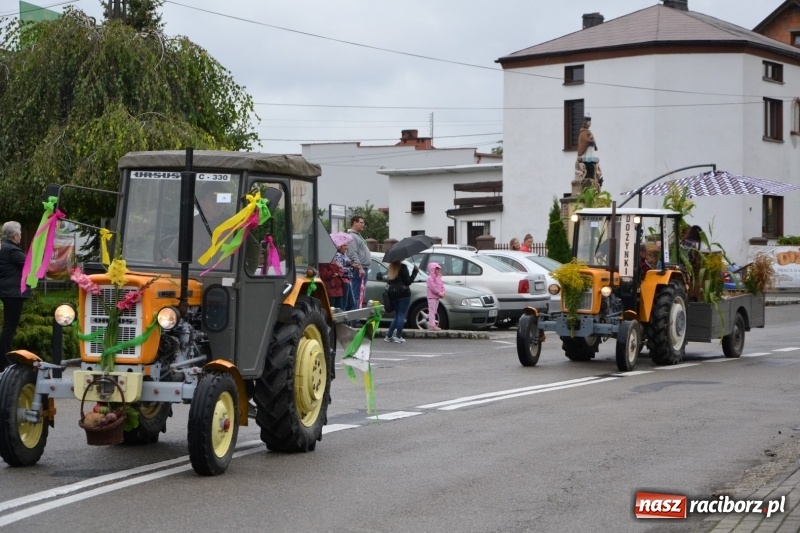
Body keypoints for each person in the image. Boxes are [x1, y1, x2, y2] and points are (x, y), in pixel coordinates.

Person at [0, 221, 31, 371]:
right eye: (19, 234)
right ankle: (5, 361)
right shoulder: (12, 250)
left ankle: (4, 359)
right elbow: (29, 264)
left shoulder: (4, 247)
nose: (21, 236)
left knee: (8, 327)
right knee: (9, 328)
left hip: (8, 292)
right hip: (13, 293)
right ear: (14, 235)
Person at [384, 260, 419, 343]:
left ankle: (389, 335)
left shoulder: (391, 268)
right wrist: (415, 272)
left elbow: (389, 281)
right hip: (403, 293)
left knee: (398, 315)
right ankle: (399, 337)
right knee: (401, 315)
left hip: (392, 293)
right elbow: (408, 282)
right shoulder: (403, 267)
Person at [319, 233, 353, 310]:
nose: (347, 247)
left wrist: (338, 271)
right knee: (335, 309)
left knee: (343, 308)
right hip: (332, 289)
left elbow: (341, 271)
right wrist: (335, 270)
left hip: (339, 288)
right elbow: (325, 275)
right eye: (344, 245)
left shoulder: (335, 258)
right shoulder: (324, 261)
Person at [346, 215, 370, 309]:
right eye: (361, 222)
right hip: (359, 269)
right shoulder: (352, 236)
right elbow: (353, 253)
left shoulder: (357, 236)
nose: (363, 225)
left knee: (360, 294)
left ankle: (356, 317)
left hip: (363, 268)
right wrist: (359, 268)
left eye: (363, 223)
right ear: (354, 223)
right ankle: (354, 319)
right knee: (356, 294)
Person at [425, 262, 446, 331]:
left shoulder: (438, 277)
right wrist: (439, 293)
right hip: (432, 297)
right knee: (432, 311)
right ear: (433, 269)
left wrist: (443, 292)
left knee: (434, 311)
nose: (438, 270)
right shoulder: (430, 278)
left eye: (439, 269)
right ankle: (432, 325)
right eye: (437, 269)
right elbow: (433, 287)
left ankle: (433, 323)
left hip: (437, 297)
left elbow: (442, 285)